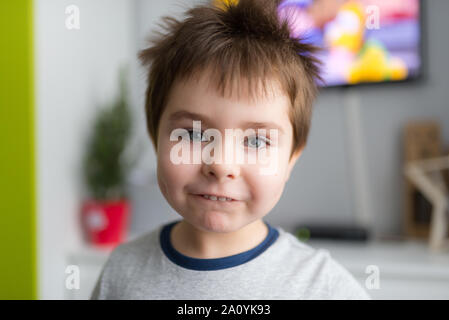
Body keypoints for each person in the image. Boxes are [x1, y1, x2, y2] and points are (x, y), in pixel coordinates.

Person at [90, 0, 370, 300]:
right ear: (155, 136)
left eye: (256, 141)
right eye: (193, 134)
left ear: (292, 158)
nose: (221, 164)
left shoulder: (325, 288)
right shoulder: (122, 272)